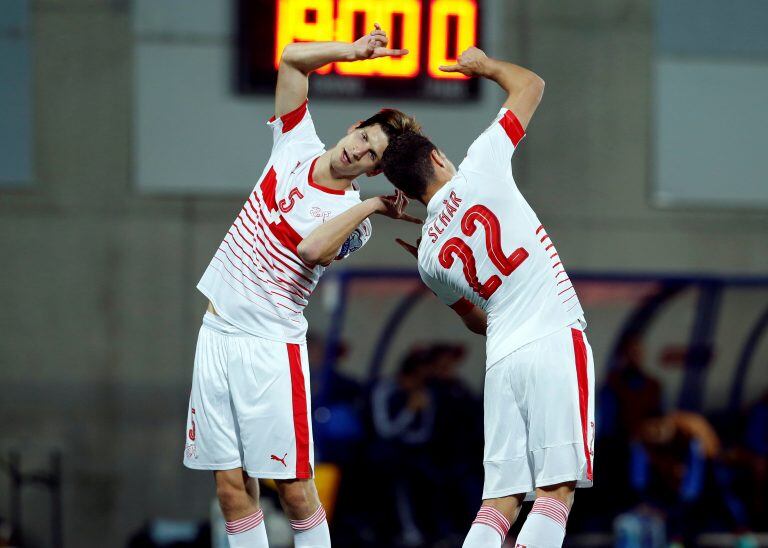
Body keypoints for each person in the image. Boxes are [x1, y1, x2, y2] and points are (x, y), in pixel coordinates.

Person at [182, 25, 421, 548]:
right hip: (216, 334)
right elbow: (291, 61)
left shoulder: (354, 220)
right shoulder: (295, 140)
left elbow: (312, 250)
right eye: (363, 138)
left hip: (271, 350)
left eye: (372, 157)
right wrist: (353, 52)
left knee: (293, 490)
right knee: (228, 488)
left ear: (377, 172)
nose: (358, 153)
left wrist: (374, 205)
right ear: (354, 126)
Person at [383, 46, 596, 548]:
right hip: (552, 340)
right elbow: (531, 85)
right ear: (437, 157)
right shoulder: (481, 164)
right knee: (554, 493)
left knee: (499, 502)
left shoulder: (428, 257)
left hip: (501, 362)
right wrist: (483, 67)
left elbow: (477, 321)